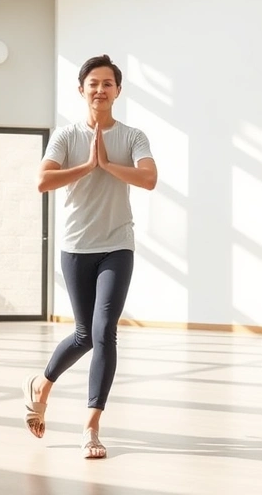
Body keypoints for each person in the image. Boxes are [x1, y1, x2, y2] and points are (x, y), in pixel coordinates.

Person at [22, 54, 158, 459]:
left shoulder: (133, 137)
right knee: (83, 335)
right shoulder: (65, 137)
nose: (100, 89)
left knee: (103, 332)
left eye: (108, 84)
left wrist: (108, 164)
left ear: (118, 91)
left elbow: (149, 178)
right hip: (77, 247)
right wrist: (86, 166)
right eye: (93, 83)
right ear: (81, 89)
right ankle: (41, 385)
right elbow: (42, 181)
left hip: (118, 245)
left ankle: (91, 427)